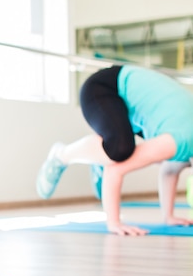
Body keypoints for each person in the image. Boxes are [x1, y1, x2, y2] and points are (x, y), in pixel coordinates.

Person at [36, 64, 193, 236]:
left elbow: (170, 171)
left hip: (128, 102)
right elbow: (115, 170)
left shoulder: (184, 145)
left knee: (151, 156)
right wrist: (114, 223)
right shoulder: (182, 139)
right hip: (104, 87)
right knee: (120, 151)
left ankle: (99, 156)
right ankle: (62, 154)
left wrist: (169, 216)